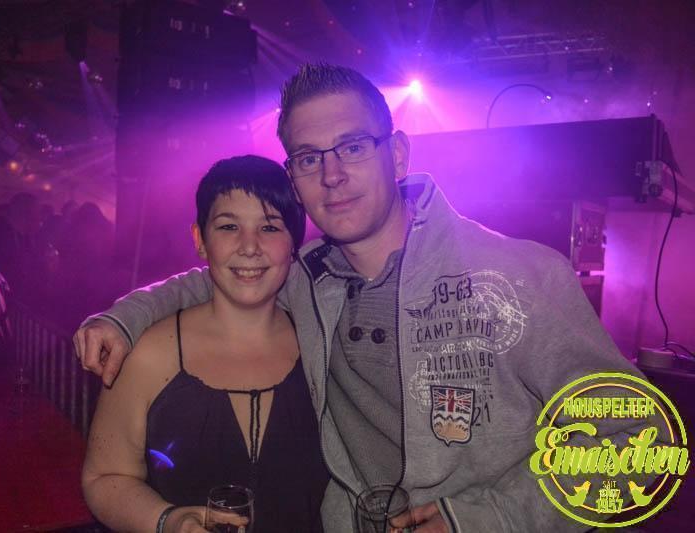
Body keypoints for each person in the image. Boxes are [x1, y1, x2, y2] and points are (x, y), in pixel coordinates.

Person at [75, 64, 644, 532]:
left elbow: (640, 437)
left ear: (397, 155)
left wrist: (488, 518)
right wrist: (125, 317)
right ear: (294, 178)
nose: (331, 175)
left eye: (352, 147)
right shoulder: (306, 277)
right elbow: (227, 274)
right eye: (308, 157)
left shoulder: (516, 276)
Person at [81, 155, 328, 533]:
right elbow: (104, 477)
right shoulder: (148, 355)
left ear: (293, 243)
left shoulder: (320, 345)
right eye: (229, 226)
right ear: (200, 239)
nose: (249, 246)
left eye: (269, 227)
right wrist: (169, 521)